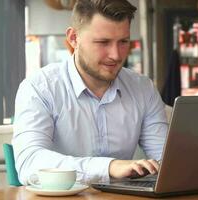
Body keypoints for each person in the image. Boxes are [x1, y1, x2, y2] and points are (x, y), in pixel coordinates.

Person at [12, 0, 168, 185]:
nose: (116, 55)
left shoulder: (143, 88)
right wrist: (109, 167)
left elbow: (166, 160)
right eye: (103, 42)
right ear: (73, 38)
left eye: (123, 42)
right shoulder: (39, 87)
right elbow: (30, 163)